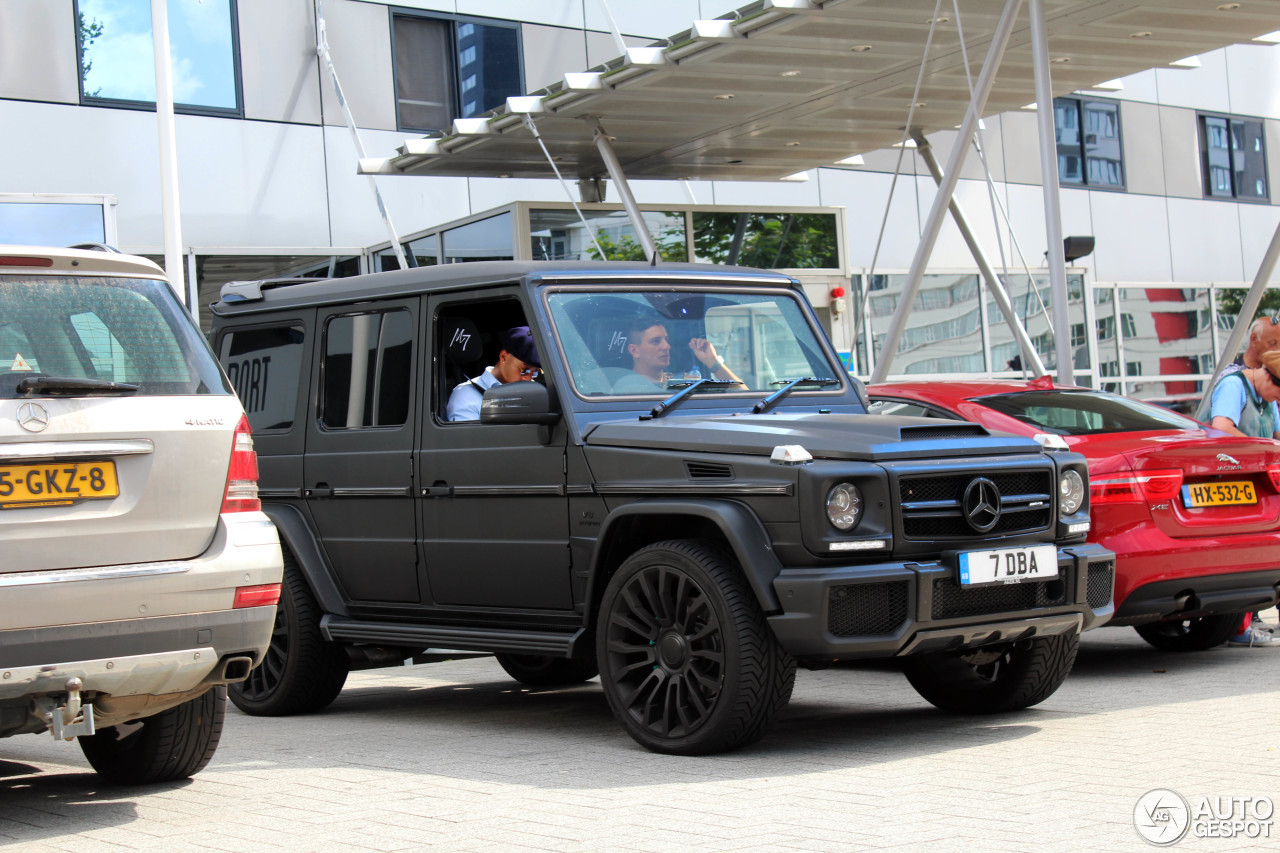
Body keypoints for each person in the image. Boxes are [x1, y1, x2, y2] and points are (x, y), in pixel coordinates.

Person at [1209, 348, 1280, 647]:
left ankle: (1245, 622)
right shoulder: (1233, 386)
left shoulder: (1267, 400)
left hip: (1253, 482)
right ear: (1267, 374)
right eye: (1278, 389)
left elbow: (1276, 438)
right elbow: (1221, 428)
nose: (1277, 398)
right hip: (1222, 483)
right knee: (1241, 552)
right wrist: (1260, 446)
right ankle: (1238, 627)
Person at [612, 318, 743, 394]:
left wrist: (713, 363)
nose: (666, 346)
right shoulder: (627, 387)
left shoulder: (679, 380)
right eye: (656, 341)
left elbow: (744, 396)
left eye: (666, 339)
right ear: (634, 350)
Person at [446, 326, 540, 421]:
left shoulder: (535, 394)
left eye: (534, 372)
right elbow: (466, 436)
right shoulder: (466, 395)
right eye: (524, 371)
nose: (528, 379)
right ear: (503, 357)